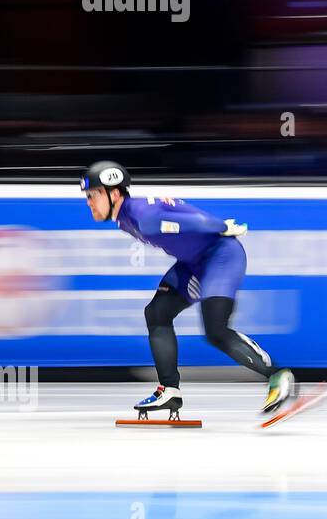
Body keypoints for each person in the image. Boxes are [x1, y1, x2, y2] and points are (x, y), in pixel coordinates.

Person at [80, 160, 294, 416]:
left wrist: (221, 226)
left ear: (114, 193)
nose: (89, 202)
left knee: (216, 331)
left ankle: (278, 376)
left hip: (221, 256)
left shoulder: (142, 217)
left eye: (93, 195)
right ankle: (169, 390)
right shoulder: (126, 216)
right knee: (157, 313)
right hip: (193, 264)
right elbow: (175, 210)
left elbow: (194, 220)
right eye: (88, 196)